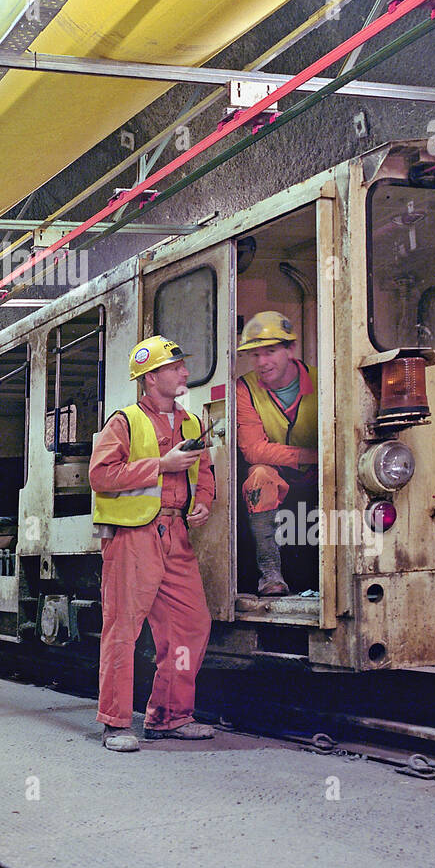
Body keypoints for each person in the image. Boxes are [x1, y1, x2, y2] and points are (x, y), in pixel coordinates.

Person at [89, 336, 216, 752]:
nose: (184, 372)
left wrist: (204, 502)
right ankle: (115, 723)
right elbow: (101, 476)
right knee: (123, 628)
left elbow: (205, 472)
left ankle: (170, 716)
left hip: (176, 533)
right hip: (133, 536)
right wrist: (161, 464)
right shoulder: (124, 422)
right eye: (175, 368)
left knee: (190, 625)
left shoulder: (192, 423)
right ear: (151, 378)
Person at [236, 311, 319, 597]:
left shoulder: (323, 381)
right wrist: (310, 455)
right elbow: (253, 449)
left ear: (290, 349)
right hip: (280, 475)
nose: (262, 362)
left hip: (323, 472)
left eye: (270, 352)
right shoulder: (245, 388)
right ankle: (270, 574)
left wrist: (322, 460)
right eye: (255, 355)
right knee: (258, 476)